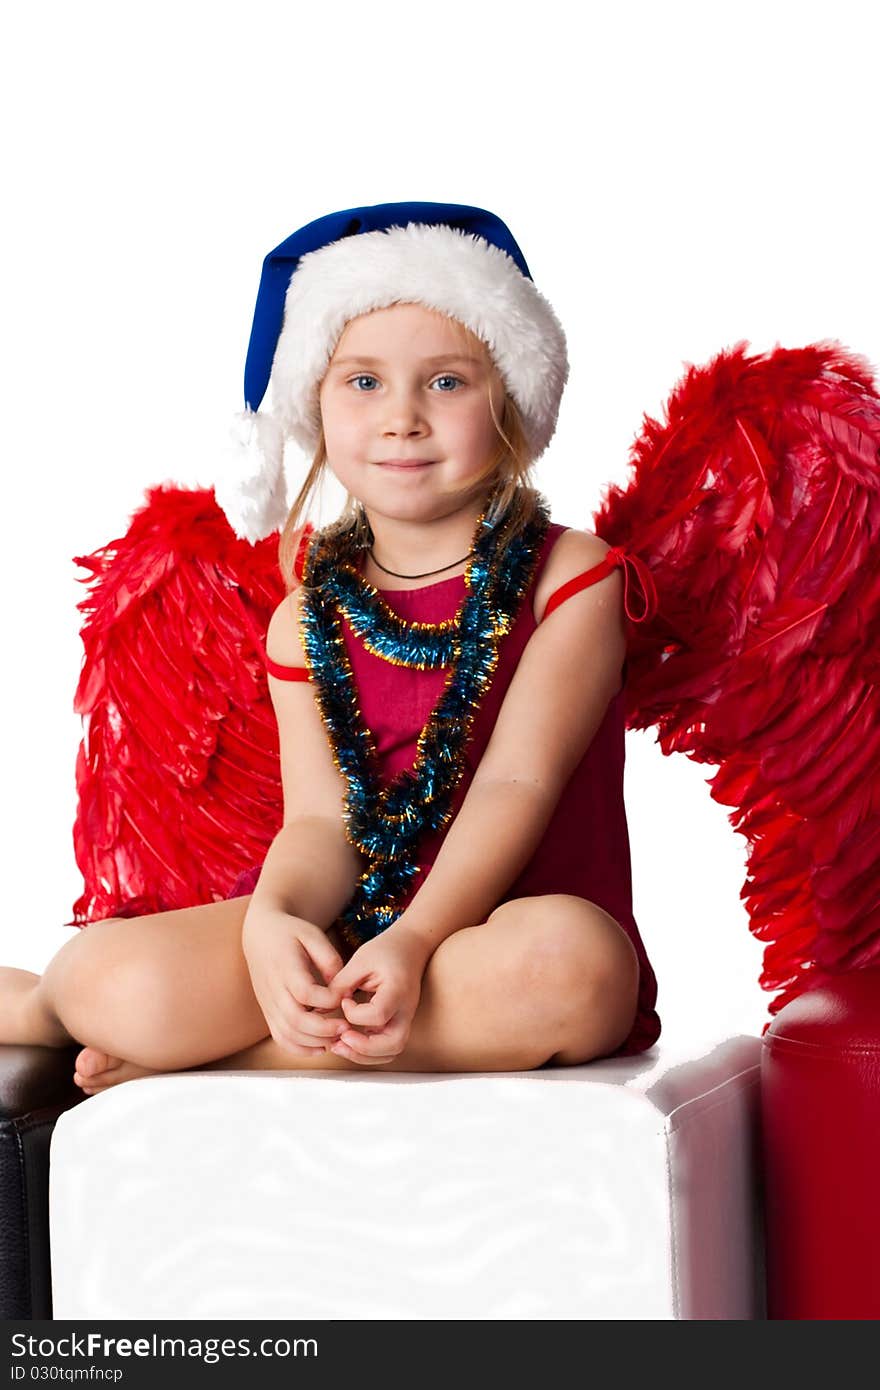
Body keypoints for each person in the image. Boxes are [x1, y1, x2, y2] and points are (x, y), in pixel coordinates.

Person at [0, 201, 661, 1094]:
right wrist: (275, 919)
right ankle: (43, 1010)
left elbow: (519, 782)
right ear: (314, 401)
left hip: (493, 944)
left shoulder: (569, 579)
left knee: (573, 969)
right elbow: (321, 821)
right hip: (351, 936)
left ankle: (230, 1065)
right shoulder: (306, 617)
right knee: (113, 977)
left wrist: (417, 941)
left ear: (509, 400)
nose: (402, 419)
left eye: (446, 381)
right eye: (363, 382)